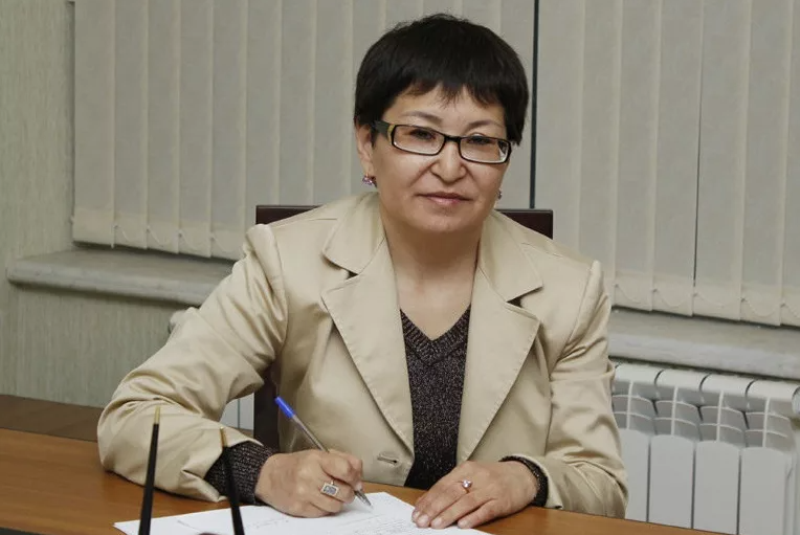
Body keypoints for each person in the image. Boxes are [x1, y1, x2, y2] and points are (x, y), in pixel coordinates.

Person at [97, 13, 627, 529]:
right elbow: (136, 414)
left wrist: (526, 477)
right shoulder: (287, 261)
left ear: (504, 159)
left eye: (480, 141)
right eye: (420, 134)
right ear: (366, 145)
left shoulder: (569, 289)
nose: (450, 167)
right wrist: (262, 471)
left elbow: (600, 482)